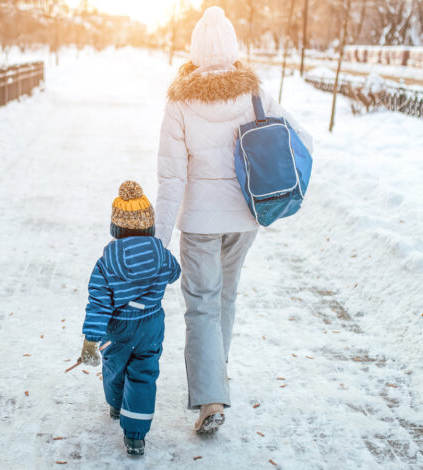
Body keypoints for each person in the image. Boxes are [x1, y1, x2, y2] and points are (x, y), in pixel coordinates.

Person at [155, 6, 314, 434]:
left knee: (202, 305)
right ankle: (215, 379)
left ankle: (210, 397)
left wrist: (158, 240)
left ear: (194, 51)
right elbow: (303, 138)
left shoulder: (180, 101)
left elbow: (172, 178)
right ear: (232, 48)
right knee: (225, 299)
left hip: (200, 222)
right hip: (246, 218)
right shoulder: (255, 94)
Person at [79, 181, 181, 456]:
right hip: (151, 324)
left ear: (116, 228)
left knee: (115, 367)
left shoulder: (106, 262)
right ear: (149, 224)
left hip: (118, 327)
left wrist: (91, 340)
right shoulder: (160, 252)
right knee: (144, 374)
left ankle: (115, 404)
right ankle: (136, 437)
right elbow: (175, 272)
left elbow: (98, 303)